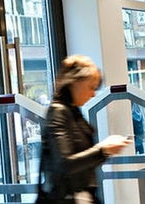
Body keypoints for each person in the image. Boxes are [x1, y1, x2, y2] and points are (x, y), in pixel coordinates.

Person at [37, 55, 132, 203]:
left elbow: (80, 160)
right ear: (75, 83)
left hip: (81, 195)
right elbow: (64, 163)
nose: (93, 94)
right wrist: (103, 150)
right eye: (91, 87)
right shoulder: (59, 112)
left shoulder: (73, 111)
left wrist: (106, 150)